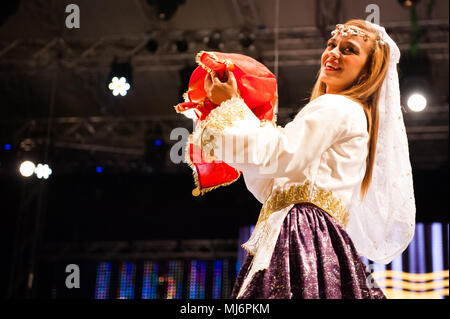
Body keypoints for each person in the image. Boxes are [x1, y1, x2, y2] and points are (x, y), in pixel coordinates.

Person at [193, 19, 415, 299]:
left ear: (367, 72)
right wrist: (241, 113)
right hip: (300, 229)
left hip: (303, 232)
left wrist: (231, 107)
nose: (333, 53)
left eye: (349, 50)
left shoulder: (339, 106)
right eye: (331, 45)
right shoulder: (342, 111)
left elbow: (278, 155)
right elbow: (267, 184)